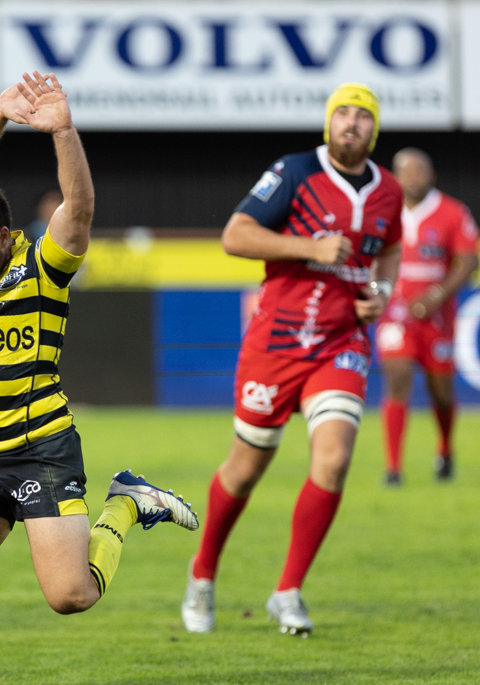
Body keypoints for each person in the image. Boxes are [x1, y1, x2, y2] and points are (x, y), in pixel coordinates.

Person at [0, 72, 198, 685]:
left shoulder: (44, 269)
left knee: (71, 597)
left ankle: (128, 503)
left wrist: (61, 130)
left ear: (6, 237)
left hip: (44, 453)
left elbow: (80, 204)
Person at [180, 83, 402, 637]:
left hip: (340, 343)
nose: (352, 123)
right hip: (276, 343)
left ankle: (288, 591)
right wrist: (311, 247)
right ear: (329, 123)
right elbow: (235, 236)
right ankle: (203, 572)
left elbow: (391, 248)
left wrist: (381, 291)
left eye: (363, 116)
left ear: (375, 129)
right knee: (246, 467)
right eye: (343, 113)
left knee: (332, 460)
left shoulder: (389, 191)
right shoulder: (295, 170)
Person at [376, 149, 479, 485]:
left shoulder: (452, 212)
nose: (413, 178)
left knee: (441, 391)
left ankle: (446, 449)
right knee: (397, 377)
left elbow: (468, 262)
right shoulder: (382, 210)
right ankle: (393, 468)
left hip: (437, 318)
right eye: (406, 172)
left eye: (420, 171)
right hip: (395, 313)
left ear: (431, 176)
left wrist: (436, 296)